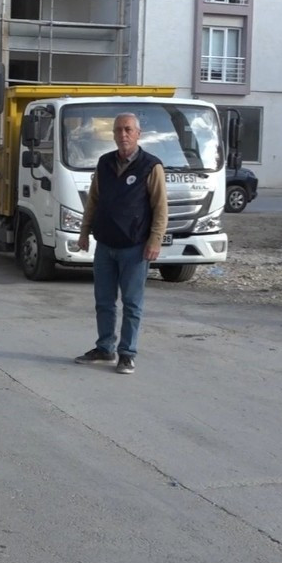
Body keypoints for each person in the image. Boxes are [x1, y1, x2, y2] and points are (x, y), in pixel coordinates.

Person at [73, 112, 168, 375]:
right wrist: (84, 232)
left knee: (132, 303)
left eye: (128, 130)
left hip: (135, 248)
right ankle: (105, 348)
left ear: (138, 134)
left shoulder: (151, 166)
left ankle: (127, 353)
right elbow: (93, 200)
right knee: (103, 301)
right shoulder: (104, 163)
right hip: (105, 245)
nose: (123, 135)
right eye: (118, 130)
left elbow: (160, 208)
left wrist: (155, 240)